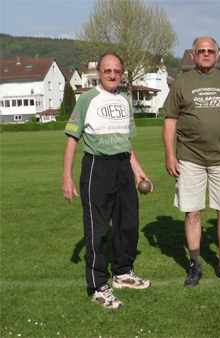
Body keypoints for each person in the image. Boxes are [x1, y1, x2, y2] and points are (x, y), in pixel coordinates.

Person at [62, 52, 152, 309]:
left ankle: (123, 273)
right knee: (98, 229)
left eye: (117, 71)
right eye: (107, 71)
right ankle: (98, 285)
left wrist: (137, 169)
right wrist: (66, 176)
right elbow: (72, 138)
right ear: (98, 72)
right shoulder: (87, 99)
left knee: (128, 224)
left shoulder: (124, 100)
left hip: (123, 166)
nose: (113, 75)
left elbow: (126, 140)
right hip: (97, 167)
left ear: (122, 74)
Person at [161, 37, 220, 287]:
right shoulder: (181, 82)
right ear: (192, 55)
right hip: (190, 158)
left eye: (210, 50)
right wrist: (170, 155)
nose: (206, 54)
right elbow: (170, 120)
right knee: (193, 213)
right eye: (201, 51)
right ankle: (195, 265)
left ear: (218, 54)